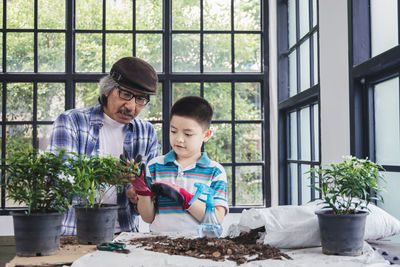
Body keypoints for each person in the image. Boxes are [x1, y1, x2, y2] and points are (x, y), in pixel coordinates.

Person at [47, 56, 159, 235]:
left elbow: (149, 204)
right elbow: (57, 182)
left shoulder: (146, 132)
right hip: (74, 235)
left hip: (125, 235)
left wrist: (136, 195)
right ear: (107, 90)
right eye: (125, 94)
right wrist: (105, 175)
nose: (131, 106)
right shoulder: (71, 122)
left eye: (140, 99)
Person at [132, 96, 228, 232]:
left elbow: (217, 219)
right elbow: (148, 218)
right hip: (158, 245)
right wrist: (142, 191)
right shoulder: (155, 166)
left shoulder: (215, 171)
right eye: (173, 131)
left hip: (198, 246)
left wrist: (185, 197)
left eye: (188, 134)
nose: (179, 139)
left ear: (206, 135)